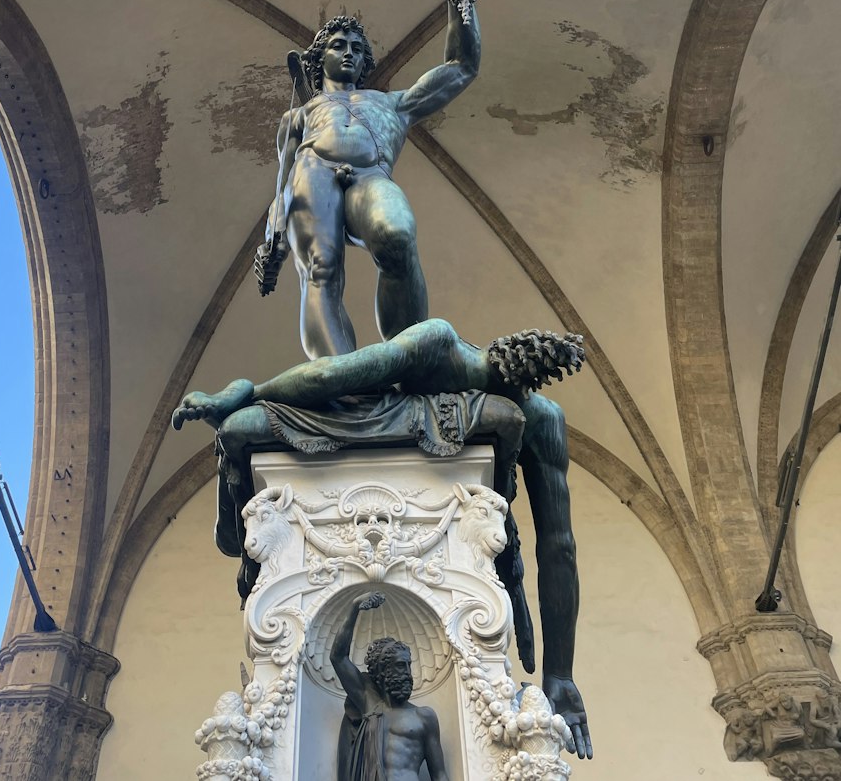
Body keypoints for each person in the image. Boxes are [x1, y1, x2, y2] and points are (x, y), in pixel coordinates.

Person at [173, 318, 592, 759]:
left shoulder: (534, 416)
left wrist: (561, 673)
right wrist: (245, 395)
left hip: (412, 425)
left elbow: (560, 547)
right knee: (239, 426)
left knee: (241, 425)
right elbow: (326, 375)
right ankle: (236, 513)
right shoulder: (441, 344)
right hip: (368, 411)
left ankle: (237, 504)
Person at [253, 0, 487, 360]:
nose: (349, 53)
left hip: (369, 175)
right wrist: (272, 239)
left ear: (365, 61)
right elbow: (281, 182)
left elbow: (461, 66)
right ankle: (343, 384)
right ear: (319, 58)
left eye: (357, 48)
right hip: (312, 171)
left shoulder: (392, 104)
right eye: (338, 45)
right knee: (321, 270)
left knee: (396, 235)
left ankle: (406, 356)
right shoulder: (298, 116)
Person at [331, 593, 449, 781]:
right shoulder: (368, 704)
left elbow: (440, 775)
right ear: (382, 672)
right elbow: (338, 657)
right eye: (401, 666)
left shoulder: (424, 716)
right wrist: (354, 608)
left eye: (409, 665)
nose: (408, 673)